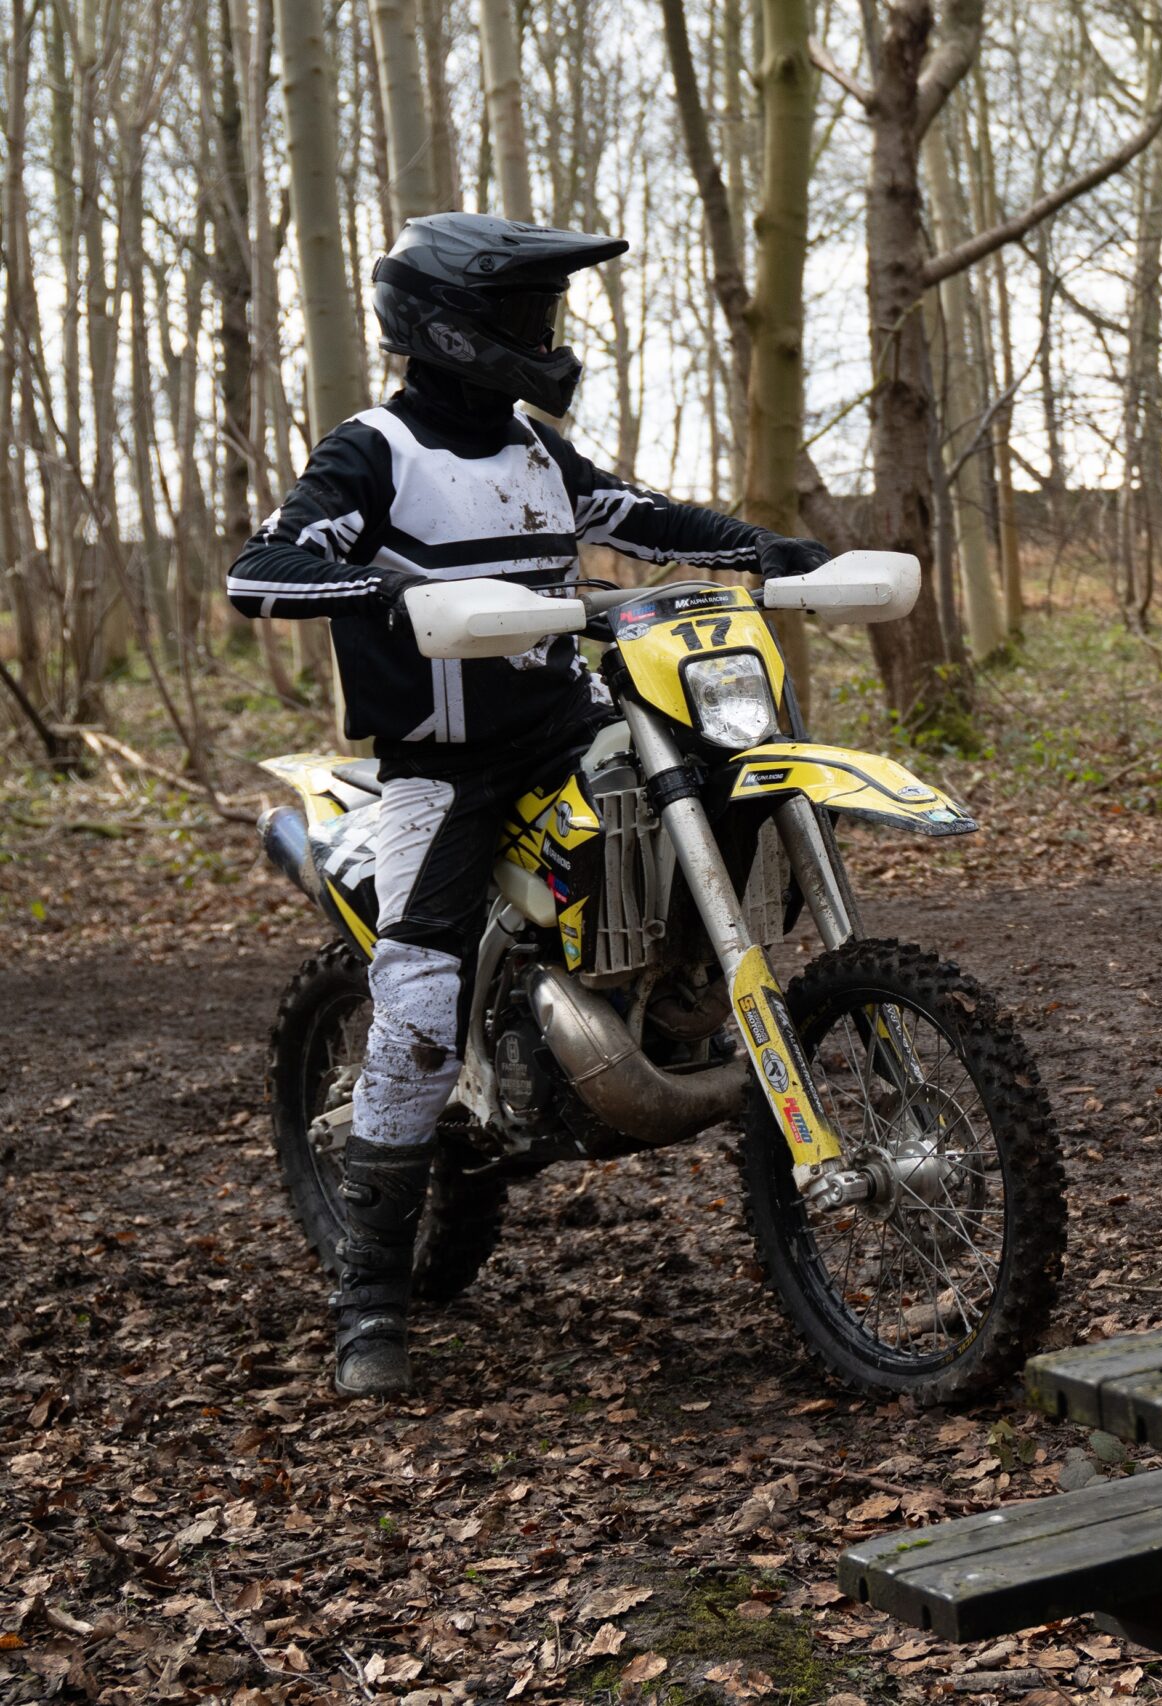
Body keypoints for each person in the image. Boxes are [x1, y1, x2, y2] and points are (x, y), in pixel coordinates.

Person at [229, 213, 834, 1398]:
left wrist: (770, 551)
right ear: (453, 325)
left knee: (718, 777)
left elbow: (639, 516)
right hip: (441, 768)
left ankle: (686, 996)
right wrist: (388, 592)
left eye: (543, 315)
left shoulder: (534, 450)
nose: (542, 336)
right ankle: (369, 1299)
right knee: (411, 993)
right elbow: (266, 566)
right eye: (524, 316)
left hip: (569, 727)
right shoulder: (376, 448)